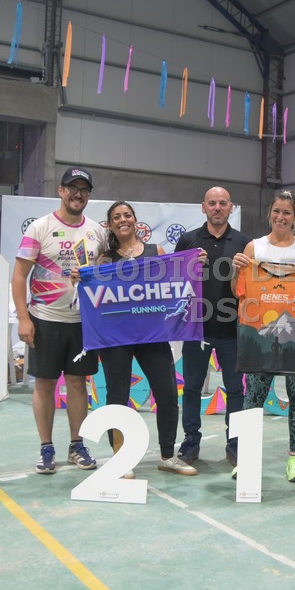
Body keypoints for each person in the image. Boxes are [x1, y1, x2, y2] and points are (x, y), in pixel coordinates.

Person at [12, 167, 107, 474]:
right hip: (45, 319)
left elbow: (105, 273)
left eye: (84, 190)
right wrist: (23, 319)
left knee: (78, 383)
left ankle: (77, 445)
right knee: (45, 384)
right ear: (61, 191)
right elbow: (19, 275)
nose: (78, 194)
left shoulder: (97, 232)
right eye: (72, 188)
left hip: (83, 322)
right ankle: (46, 448)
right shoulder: (40, 228)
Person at [96, 201, 197, 475]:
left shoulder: (156, 252)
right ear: (110, 224)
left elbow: (175, 282)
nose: (123, 220)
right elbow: (95, 293)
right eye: (117, 217)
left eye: (127, 215)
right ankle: (120, 460)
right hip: (117, 337)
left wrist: (193, 266)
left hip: (152, 335)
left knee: (167, 393)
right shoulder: (104, 259)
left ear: (135, 220)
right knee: (117, 396)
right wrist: (79, 279)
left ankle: (167, 456)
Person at [234, 189, 295, 483]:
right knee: (254, 395)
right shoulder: (254, 248)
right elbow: (238, 290)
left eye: (287, 212)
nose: (281, 217)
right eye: (276, 211)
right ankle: (246, 459)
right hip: (258, 331)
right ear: (269, 214)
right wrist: (236, 271)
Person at [174, 187, 252, 466]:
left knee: (236, 390)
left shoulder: (245, 243)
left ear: (231, 207)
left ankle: (235, 443)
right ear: (203, 207)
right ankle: (191, 442)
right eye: (212, 203)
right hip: (196, 330)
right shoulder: (188, 240)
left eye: (222, 203)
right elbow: (173, 281)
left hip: (234, 331)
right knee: (192, 389)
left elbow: (253, 285)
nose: (217, 208)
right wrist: (189, 266)